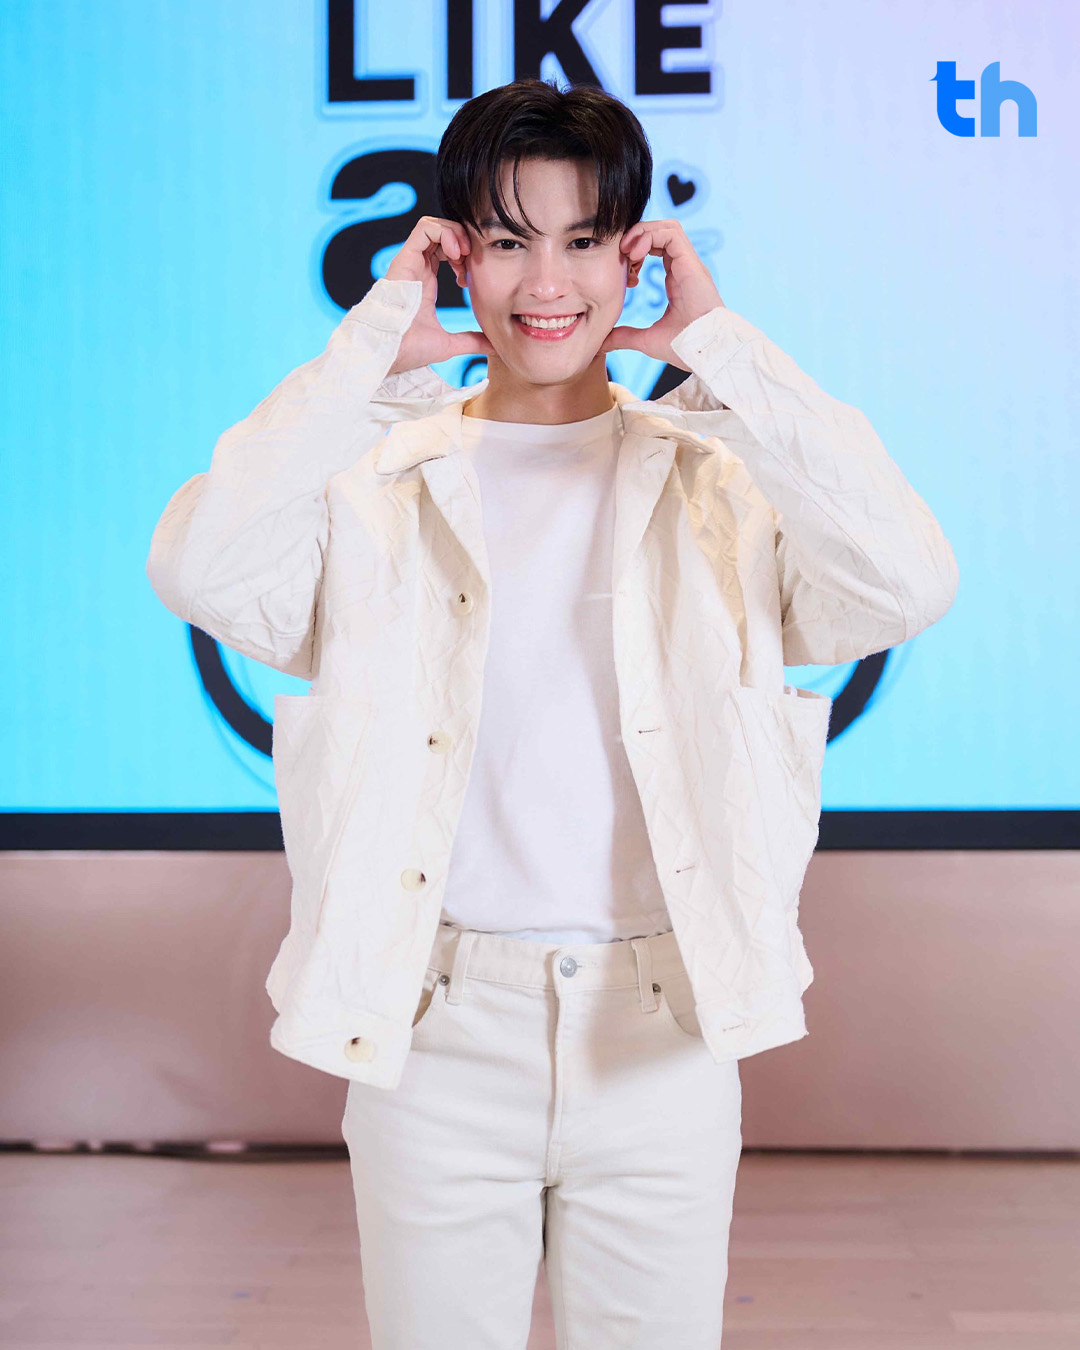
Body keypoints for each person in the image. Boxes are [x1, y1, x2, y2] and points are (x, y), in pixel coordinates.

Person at [145, 77, 958, 1350]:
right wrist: (367, 360)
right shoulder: (372, 479)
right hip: (434, 1028)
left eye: (584, 240)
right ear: (453, 255)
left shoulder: (720, 482)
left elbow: (907, 581)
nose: (547, 283)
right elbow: (202, 570)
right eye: (508, 240)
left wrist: (721, 350)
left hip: (664, 1032)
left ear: (637, 254)